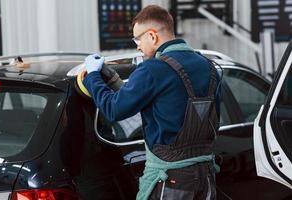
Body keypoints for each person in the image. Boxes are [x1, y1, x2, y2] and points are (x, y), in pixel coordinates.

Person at [82, 5, 220, 200]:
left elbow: (113, 109)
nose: (137, 45)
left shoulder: (153, 69)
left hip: (170, 180)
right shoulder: (209, 66)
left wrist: (93, 76)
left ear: (152, 36)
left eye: (137, 38)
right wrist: (113, 81)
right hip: (205, 177)